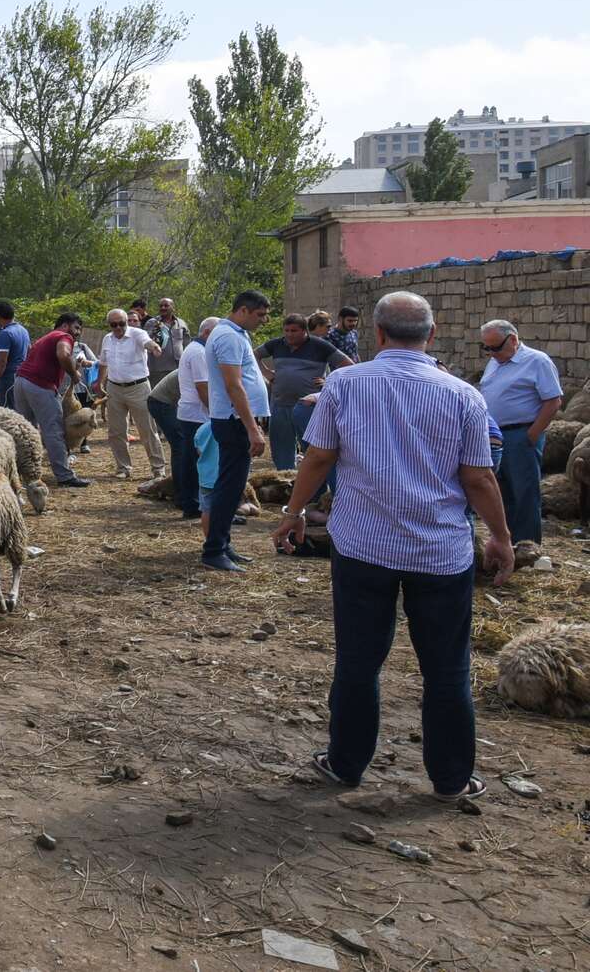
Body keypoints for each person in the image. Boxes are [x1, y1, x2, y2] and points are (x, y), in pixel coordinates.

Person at [274, 291, 510, 802]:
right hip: (440, 555)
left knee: (358, 663)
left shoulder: (344, 384)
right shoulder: (462, 395)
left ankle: (345, 764)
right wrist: (501, 536)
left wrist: (292, 514)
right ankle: (450, 780)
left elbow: (317, 459)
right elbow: (479, 478)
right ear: (432, 332)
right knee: (447, 670)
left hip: (364, 549)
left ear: (377, 334)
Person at [202, 289, 273, 572]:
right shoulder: (229, 336)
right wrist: (252, 429)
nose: (264, 320)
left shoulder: (236, 333)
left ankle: (223, 544)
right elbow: (234, 386)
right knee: (230, 488)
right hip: (233, 421)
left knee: (231, 487)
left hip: (235, 420)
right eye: (260, 315)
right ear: (242, 310)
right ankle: (214, 550)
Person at [476, 319, 562, 545]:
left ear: (513, 339)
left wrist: (531, 435)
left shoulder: (536, 361)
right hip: (495, 437)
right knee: (499, 492)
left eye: (495, 347)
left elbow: (553, 400)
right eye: (487, 348)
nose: (491, 353)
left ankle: (526, 546)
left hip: (519, 434)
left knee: (523, 493)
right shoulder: (495, 362)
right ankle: (504, 542)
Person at [256, 313, 353, 471]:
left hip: (308, 407)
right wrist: (266, 373)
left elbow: (349, 366)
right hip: (281, 404)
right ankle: (286, 480)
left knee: (313, 448)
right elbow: (253, 355)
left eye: (293, 331)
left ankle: (317, 487)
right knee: (281, 446)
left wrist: (329, 382)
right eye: (286, 330)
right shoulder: (277, 344)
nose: (289, 334)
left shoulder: (320, 346)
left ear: (304, 331)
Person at [11, 311, 90, 488]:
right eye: (76, 328)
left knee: (26, 431)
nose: (77, 333)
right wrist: (74, 374)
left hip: (21, 382)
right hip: (40, 386)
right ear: (64, 325)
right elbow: (63, 354)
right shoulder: (63, 336)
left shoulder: (43, 338)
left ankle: (23, 473)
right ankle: (64, 475)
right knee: (54, 430)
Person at [98, 308, 167, 480]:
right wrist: (99, 382)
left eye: (122, 323)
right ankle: (123, 467)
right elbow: (103, 363)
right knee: (116, 431)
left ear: (126, 322)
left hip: (138, 387)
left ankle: (158, 469)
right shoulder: (107, 339)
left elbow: (148, 343)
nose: (118, 327)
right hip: (114, 388)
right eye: (114, 325)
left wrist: (155, 347)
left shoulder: (138, 334)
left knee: (148, 430)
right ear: (109, 325)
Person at [169, 318, 220, 523]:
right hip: (196, 415)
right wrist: (216, 414)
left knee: (192, 459)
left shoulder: (196, 350)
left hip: (193, 413)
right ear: (207, 332)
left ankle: (192, 502)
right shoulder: (199, 352)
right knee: (195, 461)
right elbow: (202, 387)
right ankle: (192, 504)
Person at [0, 301, 29, 405]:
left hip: (8, 378)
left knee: (7, 411)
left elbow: (2, 361)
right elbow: (29, 352)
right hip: (21, 376)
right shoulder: (23, 330)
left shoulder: (5, 333)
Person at [145, 297, 187, 380]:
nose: (163, 308)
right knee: (156, 392)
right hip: (157, 368)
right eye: (161, 306)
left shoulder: (181, 323)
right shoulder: (152, 322)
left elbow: (186, 343)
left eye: (166, 305)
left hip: (177, 367)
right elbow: (146, 342)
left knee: (175, 392)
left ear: (173, 308)